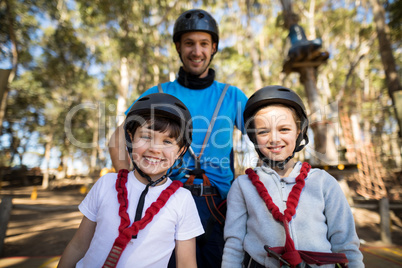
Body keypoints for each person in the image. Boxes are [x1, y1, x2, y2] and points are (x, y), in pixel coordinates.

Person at [108, 9, 248, 268]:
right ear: (178, 47)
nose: (197, 51)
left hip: (220, 207)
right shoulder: (158, 93)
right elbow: (118, 137)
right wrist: (128, 184)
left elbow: (263, 135)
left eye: (204, 43)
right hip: (165, 201)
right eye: (189, 43)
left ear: (214, 47)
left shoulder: (232, 95)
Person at [222, 85, 364, 268]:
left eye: (284, 129)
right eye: (263, 131)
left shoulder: (323, 182)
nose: (274, 139)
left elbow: (346, 244)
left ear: (299, 132)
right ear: (254, 137)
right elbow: (234, 245)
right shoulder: (242, 186)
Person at [58, 93, 204, 268]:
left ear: (180, 152)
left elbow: (186, 264)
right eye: (146, 137)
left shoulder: (182, 200)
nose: (155, 149)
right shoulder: (107, 184)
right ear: (130, 138)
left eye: (167, 141)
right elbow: (78, 246)